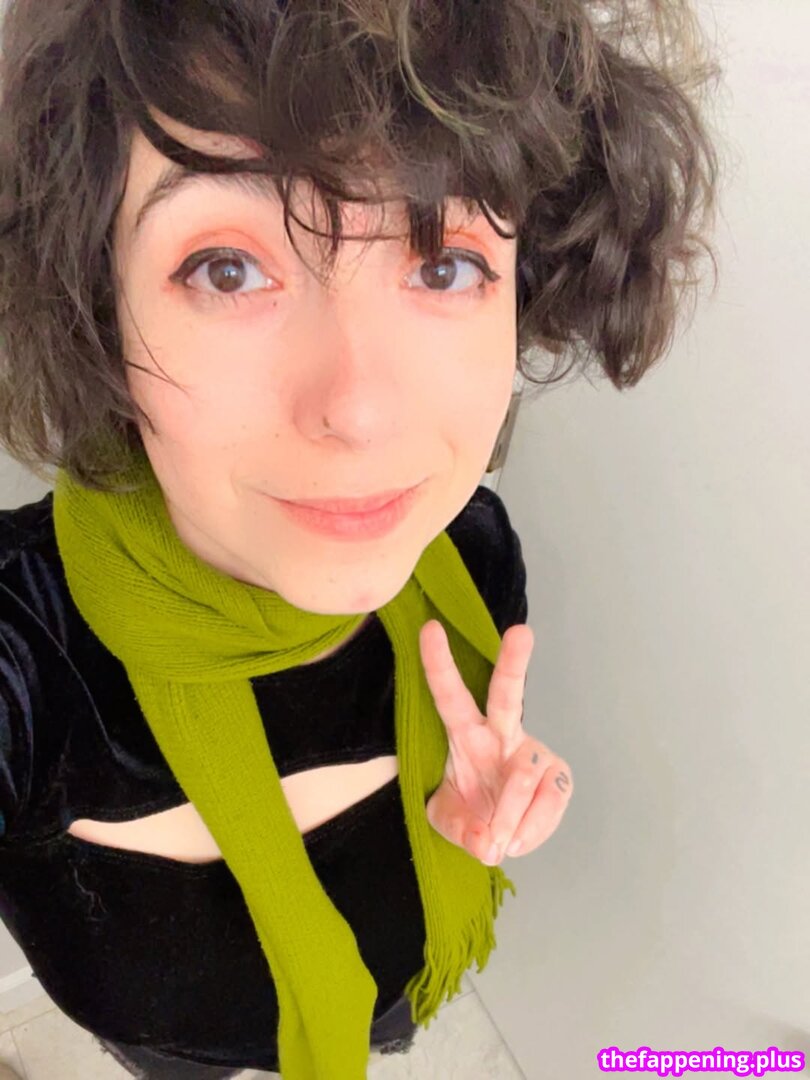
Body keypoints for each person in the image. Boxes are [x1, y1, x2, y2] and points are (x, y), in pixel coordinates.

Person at [0, 1, 723, 1077]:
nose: (360, 409)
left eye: (444, 266)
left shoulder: (474, 556)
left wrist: (463, 823)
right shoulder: (24, 646)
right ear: (96, 301)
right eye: (227, 268)